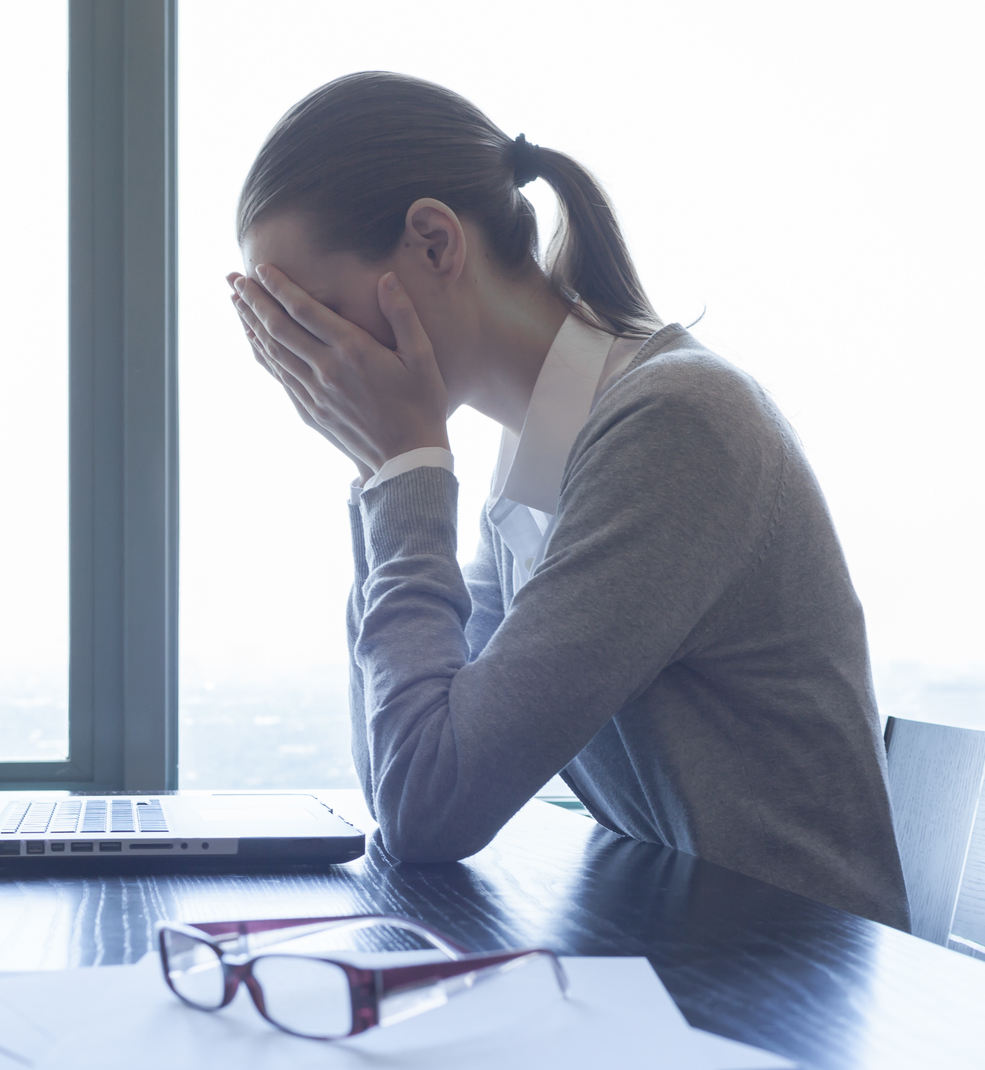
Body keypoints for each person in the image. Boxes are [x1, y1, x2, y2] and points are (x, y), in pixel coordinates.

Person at [229, 72, 908, 931]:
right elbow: (404, 760)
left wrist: (401, 471)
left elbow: (430, 807)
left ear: (435, 242)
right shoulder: (542, 445)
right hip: (688, 956)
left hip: (786, 992)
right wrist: (380, 476)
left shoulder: (673, 425)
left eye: (317, 316)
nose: (313, 365)